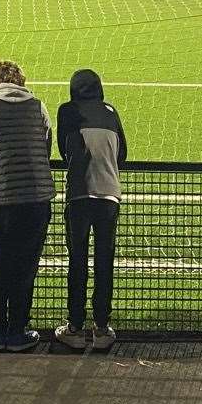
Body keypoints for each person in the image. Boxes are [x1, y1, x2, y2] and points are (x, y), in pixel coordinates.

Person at [0, 60, 53, 353]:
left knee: (2, 261)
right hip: (36, 196)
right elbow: (46, 146)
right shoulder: (38, 106)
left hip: (2, 197)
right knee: (26, 264)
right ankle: (18, 329)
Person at [54, 69, 127, 351]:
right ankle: (101, 326)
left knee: (77, 261)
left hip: (79, 194)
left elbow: (63, 148)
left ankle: (74, 325)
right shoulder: (110, 111)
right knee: (104, 260)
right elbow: (122, 154)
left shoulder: (67, 111)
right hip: (110, 194)